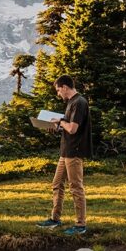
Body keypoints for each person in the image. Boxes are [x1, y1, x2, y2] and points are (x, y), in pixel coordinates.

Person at [38, 75, 92, 235]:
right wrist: (55, 126)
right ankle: (55, 219)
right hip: (65, 151)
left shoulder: (79, 103)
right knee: (57, 184)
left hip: (74, 151)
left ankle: (80, 225)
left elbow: (73, 129)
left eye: (58, 90)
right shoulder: (70, 103)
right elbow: (67, 127)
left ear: (65, 87)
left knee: (75, 187)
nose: (58, 93)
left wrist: (60, 121)